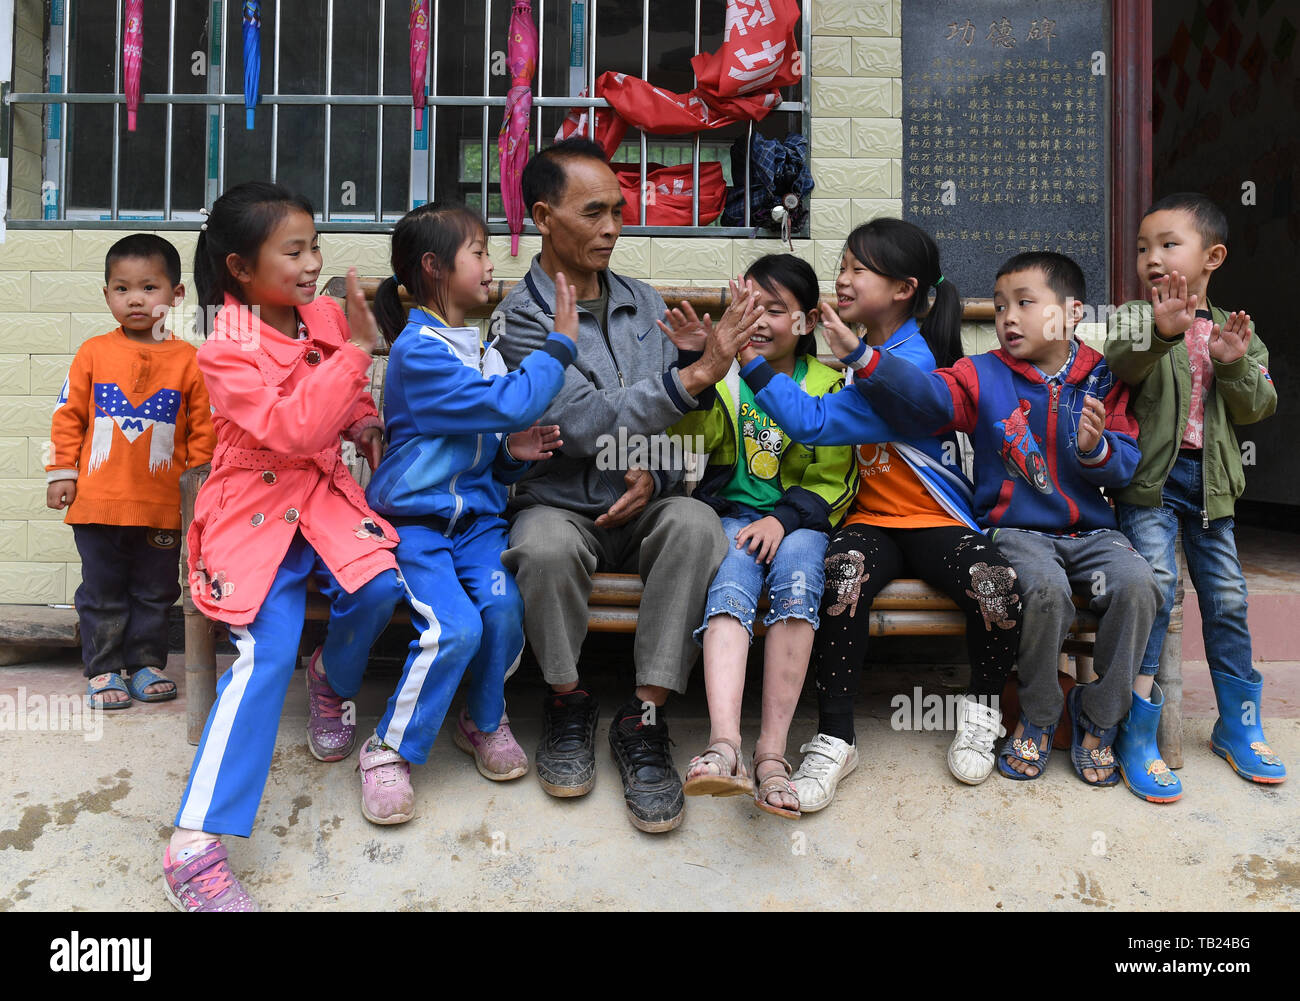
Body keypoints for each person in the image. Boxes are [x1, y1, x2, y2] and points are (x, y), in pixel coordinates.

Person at [494, 137, 761, 833]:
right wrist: (694, 376)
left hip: (645, 501)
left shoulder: (643, 302)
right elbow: (577, 421)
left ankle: (644, 718)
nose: (613, 227)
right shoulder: (522, 318)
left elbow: (684, 424)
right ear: (545, 215)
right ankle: (566, 700)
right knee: (543, 547)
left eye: (618, 210)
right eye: (594, 212)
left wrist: (660, 467)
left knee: (697, 524)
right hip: (559, 501)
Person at [722, 220, 1022, 809]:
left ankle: (983, 714)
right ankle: (836, 736)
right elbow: (812, 421)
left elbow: (915, 401)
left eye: (860, 269)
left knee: (997, 585)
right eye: (843, 266)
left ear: (904, 288)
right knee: (844, 576)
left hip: (938, 520)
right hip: (873, 520)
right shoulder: (857, 359)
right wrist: (752, 358)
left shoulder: (915, 355)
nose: (843, 278)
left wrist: (853, 355)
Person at [164, 182, 404, 911]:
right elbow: (293, 427)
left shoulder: (325, 314)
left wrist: (363, 421)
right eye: (292, 250)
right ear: (239, 266)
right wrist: (356, 357)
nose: (311, 263)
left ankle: (329, 676)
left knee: (382, 585)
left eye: (314, 246)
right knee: (266, 650)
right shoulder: (224, 347)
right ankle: (194, 846)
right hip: (256, 506)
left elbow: (345, 401)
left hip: (324, 497)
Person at [839, 250, 1161, 788]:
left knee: (1138, 585)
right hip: (1015, 531)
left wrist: (1096, 446)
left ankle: (1099, 720)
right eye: (999, 306)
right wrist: (865, 359)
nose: (1007, 317)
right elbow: (929, 396)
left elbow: (1127, 462)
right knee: (1043, 591)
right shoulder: (981, 373)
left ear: (1072, 312)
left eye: (1024, 303)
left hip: (1093, 531)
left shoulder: (1104, 377)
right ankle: (1037, 716)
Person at [358, 204, 580, 823]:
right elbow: (511, 401)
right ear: (434, 268)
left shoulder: (479, 348)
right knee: (454, 629)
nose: (490, 264)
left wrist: (511, 455)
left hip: (478, 526)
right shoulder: (418, 351)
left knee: (505, 609)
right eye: (478, 252)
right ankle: (387, 749)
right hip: (420, 528)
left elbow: (484, 443)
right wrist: (558, 346)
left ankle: (482, 720)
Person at [664, 256, 855, 818]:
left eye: (776, 309)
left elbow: (837, 476)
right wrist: (695, 362)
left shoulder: (830, 383)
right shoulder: (728, 378)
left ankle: (772, 753)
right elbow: (693, 435)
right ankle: (726, 746)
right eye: (749, 307)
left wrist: (785, 519)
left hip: (802, 522)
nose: (761, 320)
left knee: (798, 581)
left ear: (808, 321)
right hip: (734, 517)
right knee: (730, 587)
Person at [1107, 192, 1284, 795]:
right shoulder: (1137, 317)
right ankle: (1138, 729)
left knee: (1228, 598)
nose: (1151, 258)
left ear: (1212, 257)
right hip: (1149, 485)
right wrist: (1159, 334)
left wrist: (1233, 364)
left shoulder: (1238, 329)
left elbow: (1260, 405)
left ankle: (1238, 726)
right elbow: (1119, 363)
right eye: (1142, 248)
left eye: (1167, 245)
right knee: (1156, 587)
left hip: (1212, 490)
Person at [46, 234, 215, 709]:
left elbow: (204, 434)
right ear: (106, 295)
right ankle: (102, 671)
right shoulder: (93, 353)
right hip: (98, 504)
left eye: (149, 287)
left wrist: (202, 493)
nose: (135, 299)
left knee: (155, 591)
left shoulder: (190, 361)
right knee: (101, 591)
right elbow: (68, 416)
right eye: (122, 289)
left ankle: (145, 664)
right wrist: (62, 471)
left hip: (162, 508)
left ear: (176, 296)